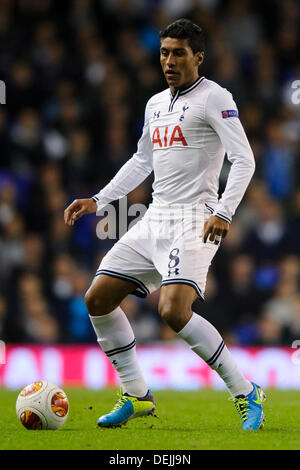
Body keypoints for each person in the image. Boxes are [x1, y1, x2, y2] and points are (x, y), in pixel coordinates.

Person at [64, 19, 265, 430]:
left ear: (198, 57)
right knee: (97, 298)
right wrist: (99, 199)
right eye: (163, 52)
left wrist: (223, 211)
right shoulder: (155, 103)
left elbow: (243, 159)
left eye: (178, 53)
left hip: (196, 218)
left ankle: (246, 391)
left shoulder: (215, 97)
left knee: (172, 309)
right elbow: (142, 160)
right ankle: (136, 394)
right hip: (155, 217)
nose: (169, 61)